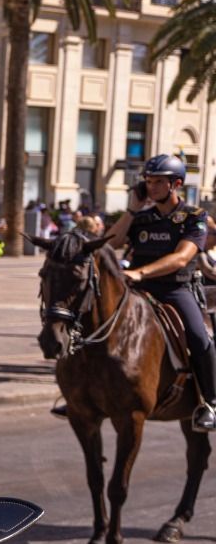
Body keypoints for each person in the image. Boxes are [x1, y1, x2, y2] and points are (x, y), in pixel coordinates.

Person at [102, 155, 216, 431]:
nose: (152, 187)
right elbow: (111, 243)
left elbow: (180, 259)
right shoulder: (142, 219)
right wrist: (131, 210)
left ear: (175, 184)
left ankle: (210, 403)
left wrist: (141, 272)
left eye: (158, 182)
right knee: (93, 320)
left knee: (200, 337)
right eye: (148, 182)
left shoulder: (194, 218)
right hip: (137, 290)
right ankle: (82, 394)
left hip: (175, 289)